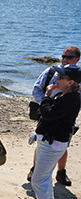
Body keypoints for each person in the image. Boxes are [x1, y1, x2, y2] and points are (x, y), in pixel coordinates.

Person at [22, 65, 81, 199]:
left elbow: (47, 114)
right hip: (47, 140)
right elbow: (48, 117)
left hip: (53, 144)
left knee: (38, 180)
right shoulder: (66, 95)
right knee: (44, 178)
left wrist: (47, 96)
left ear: (70, 82)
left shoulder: (71, 99)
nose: (56, 78)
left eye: (61, 77)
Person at [27, 46, 80, 186]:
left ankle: (61, 172)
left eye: (69, 57)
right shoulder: (51, 71)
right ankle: (35, 169)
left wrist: (53, 106)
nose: (65, 59)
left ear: (77, 59)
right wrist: (45, 105)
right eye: (63, 56)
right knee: (41, 141)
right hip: (46, 113)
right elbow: (37, 89)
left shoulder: (77, 78)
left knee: (63, 144)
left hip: (64, 117)